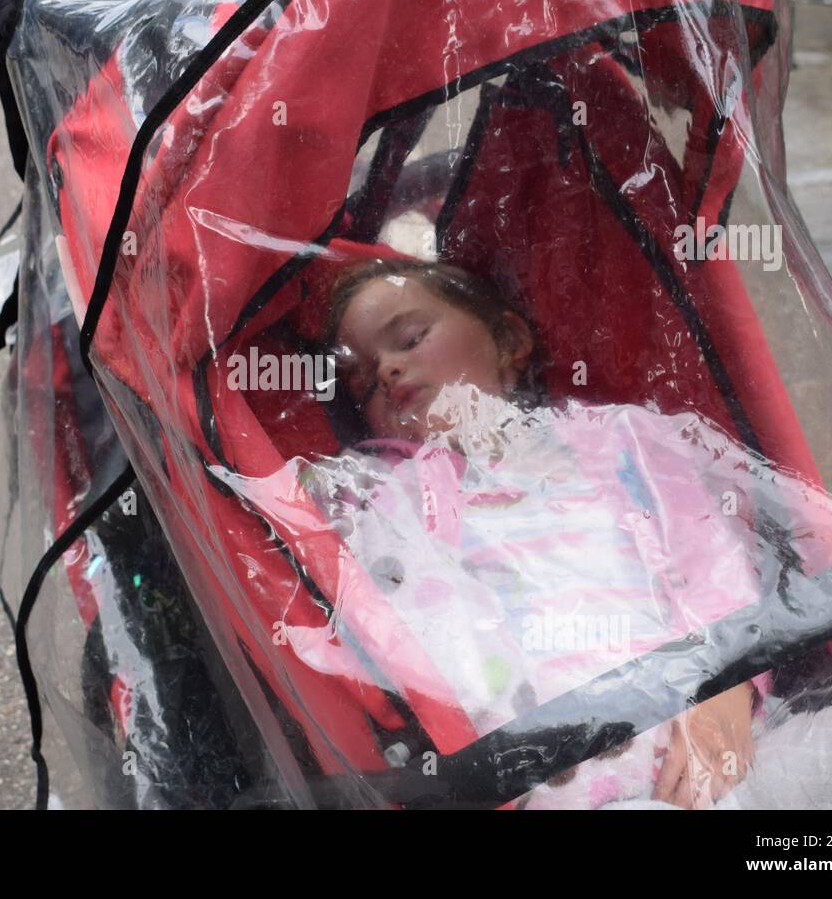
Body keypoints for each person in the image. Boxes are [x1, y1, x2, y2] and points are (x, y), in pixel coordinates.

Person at [306, 257, 801, 808]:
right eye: (363, 382)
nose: (385, 372)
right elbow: (411, 636)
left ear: (509, 338)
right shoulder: (392, 504)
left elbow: (713, 565)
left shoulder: (624, 440)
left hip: (728, 735)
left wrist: (726, 683)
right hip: (577, 785)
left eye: (411, 338)